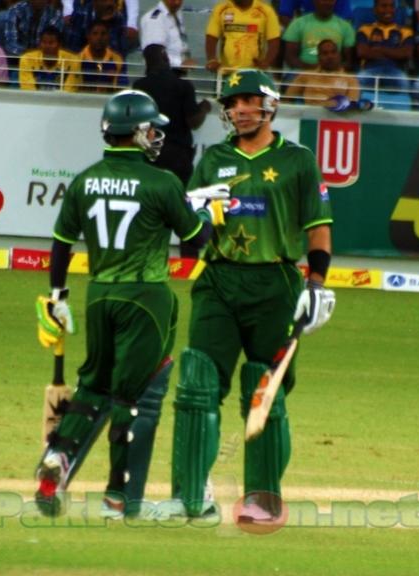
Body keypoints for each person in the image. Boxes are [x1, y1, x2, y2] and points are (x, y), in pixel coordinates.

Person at [33, 89, 215, 519]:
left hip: (99, 294)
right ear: (133, 132)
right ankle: (117, 495)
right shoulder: (164, 182)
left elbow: (60, 243)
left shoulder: (85, 179)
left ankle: (58, 456)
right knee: (128, 399)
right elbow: (197, 241)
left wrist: (58, 295)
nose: (156, 137)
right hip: (145, 298)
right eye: (151, 129)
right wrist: (205, 211)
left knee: (92, 386)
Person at [166, 69, 336, 524]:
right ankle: (190, 496)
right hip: (219, 281)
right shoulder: (214, 157)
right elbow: (193, 229)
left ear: (269, 105)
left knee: (265, 390)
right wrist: (197, 212)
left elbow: (318, 228)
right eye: (233, 102)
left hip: (275, 284)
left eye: (247, 101)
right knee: (198, 382)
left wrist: (316, 285)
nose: (239, 109)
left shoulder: (298, 160)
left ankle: (263, 499)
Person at [132, 43, 211, 257]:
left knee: (147, 208)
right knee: (185, 209)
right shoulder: (183, 86)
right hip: (178, 156)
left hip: (148, 155)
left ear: (146, 62)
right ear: (166, 59)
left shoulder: (138, 86)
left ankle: (145, 256)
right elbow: (194, 121)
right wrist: (205, 106)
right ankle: (188, 261)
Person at [204, 0, 281, 73]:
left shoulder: (266, 11)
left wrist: (266, 62)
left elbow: (274, 40)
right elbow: (211, 36)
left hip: (255, 72)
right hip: (226, 71)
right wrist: (212, 59)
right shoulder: (221, 9)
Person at [282, 0, 356, 72]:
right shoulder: (297, 24)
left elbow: (349, 62)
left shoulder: (345, 27)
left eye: (330, 0)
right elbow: (290, 58)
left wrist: (329, 71)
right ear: (314, 1)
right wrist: (316, 69)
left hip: (335, 74)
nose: (326, 3)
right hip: (302, 72)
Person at [285, 38, 361, 104]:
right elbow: (287, 99)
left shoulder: (351, 80)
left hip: (337, 118)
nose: (330, 56)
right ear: (319, 57)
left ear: (339, 55)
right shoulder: (305, 76)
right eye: (325, 53)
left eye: (333, 52)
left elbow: (352, 105)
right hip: (308, 116)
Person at [356, 0, 415, 83]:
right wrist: (394, 53)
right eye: (384, 6)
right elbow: (362, 52)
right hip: (370, 70)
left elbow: (406, 54)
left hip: (396, 72)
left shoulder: (405, 31)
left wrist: (380, 50)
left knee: (404, 82)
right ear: (375, 9)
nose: (388, 10)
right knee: (358, 81)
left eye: (391, 6)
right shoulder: (365, 29)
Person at [18, 24, 82, 90]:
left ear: (59, 45)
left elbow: (69, 92)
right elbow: (28, 91)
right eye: (44, 42)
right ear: (40, 44)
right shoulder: (27, 59)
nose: (47, 46)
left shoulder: (73, 61)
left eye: (51, 43)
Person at [139, 0, 193, 68]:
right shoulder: (155, 20)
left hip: (177, 72)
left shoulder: (177, 14)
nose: (177, 2)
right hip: (162, 73)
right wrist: (180, 63)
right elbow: (154, 55)